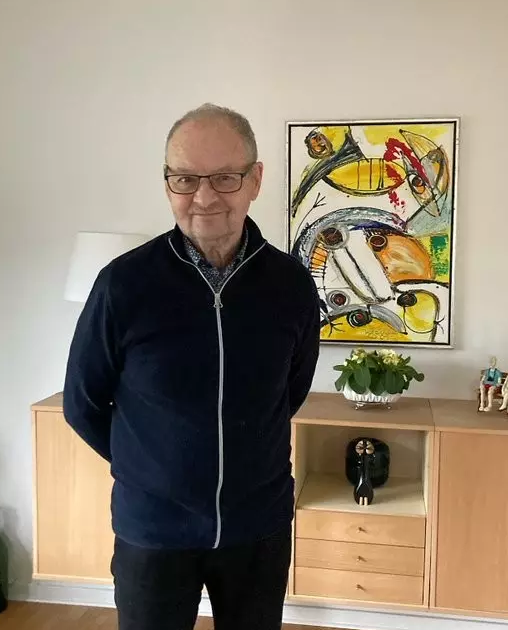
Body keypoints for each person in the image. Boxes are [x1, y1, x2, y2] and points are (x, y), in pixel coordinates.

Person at [62, 103, 321, 630]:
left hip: (258, 527)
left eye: (225, 178)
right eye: (184, 179)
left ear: (255, 180)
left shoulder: (292, 285)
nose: (204, 198)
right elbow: (81, 403)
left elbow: (289, 391)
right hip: (153, 532)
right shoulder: (122, 285)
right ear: (167, 184)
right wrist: (151, 468)